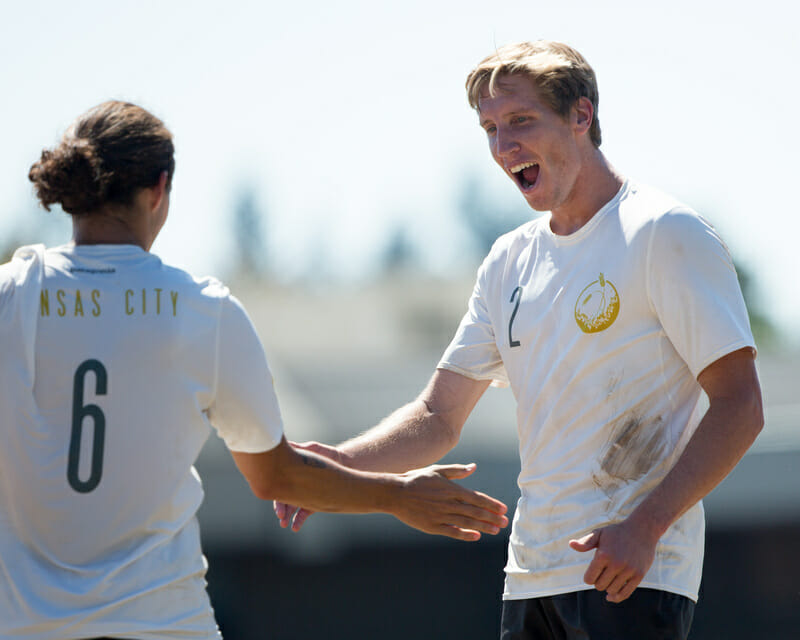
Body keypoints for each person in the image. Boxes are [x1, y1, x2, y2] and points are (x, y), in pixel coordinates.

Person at [274, 41, 764, 639]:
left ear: (581, 116)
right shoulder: (509, 260)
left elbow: (741, 406)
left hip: (633, 573)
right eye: (489, 129)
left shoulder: (664, 232)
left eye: (521, 122)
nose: (503, 148)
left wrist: (648, 525)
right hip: (529, 578)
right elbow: (437, 414)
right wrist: (341, 465)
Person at [0, 100, 509, 640]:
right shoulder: (203, 310)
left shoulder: (10, 296)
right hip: (163, 626)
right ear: (159, 190)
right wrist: (398, 496)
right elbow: (276, 477)